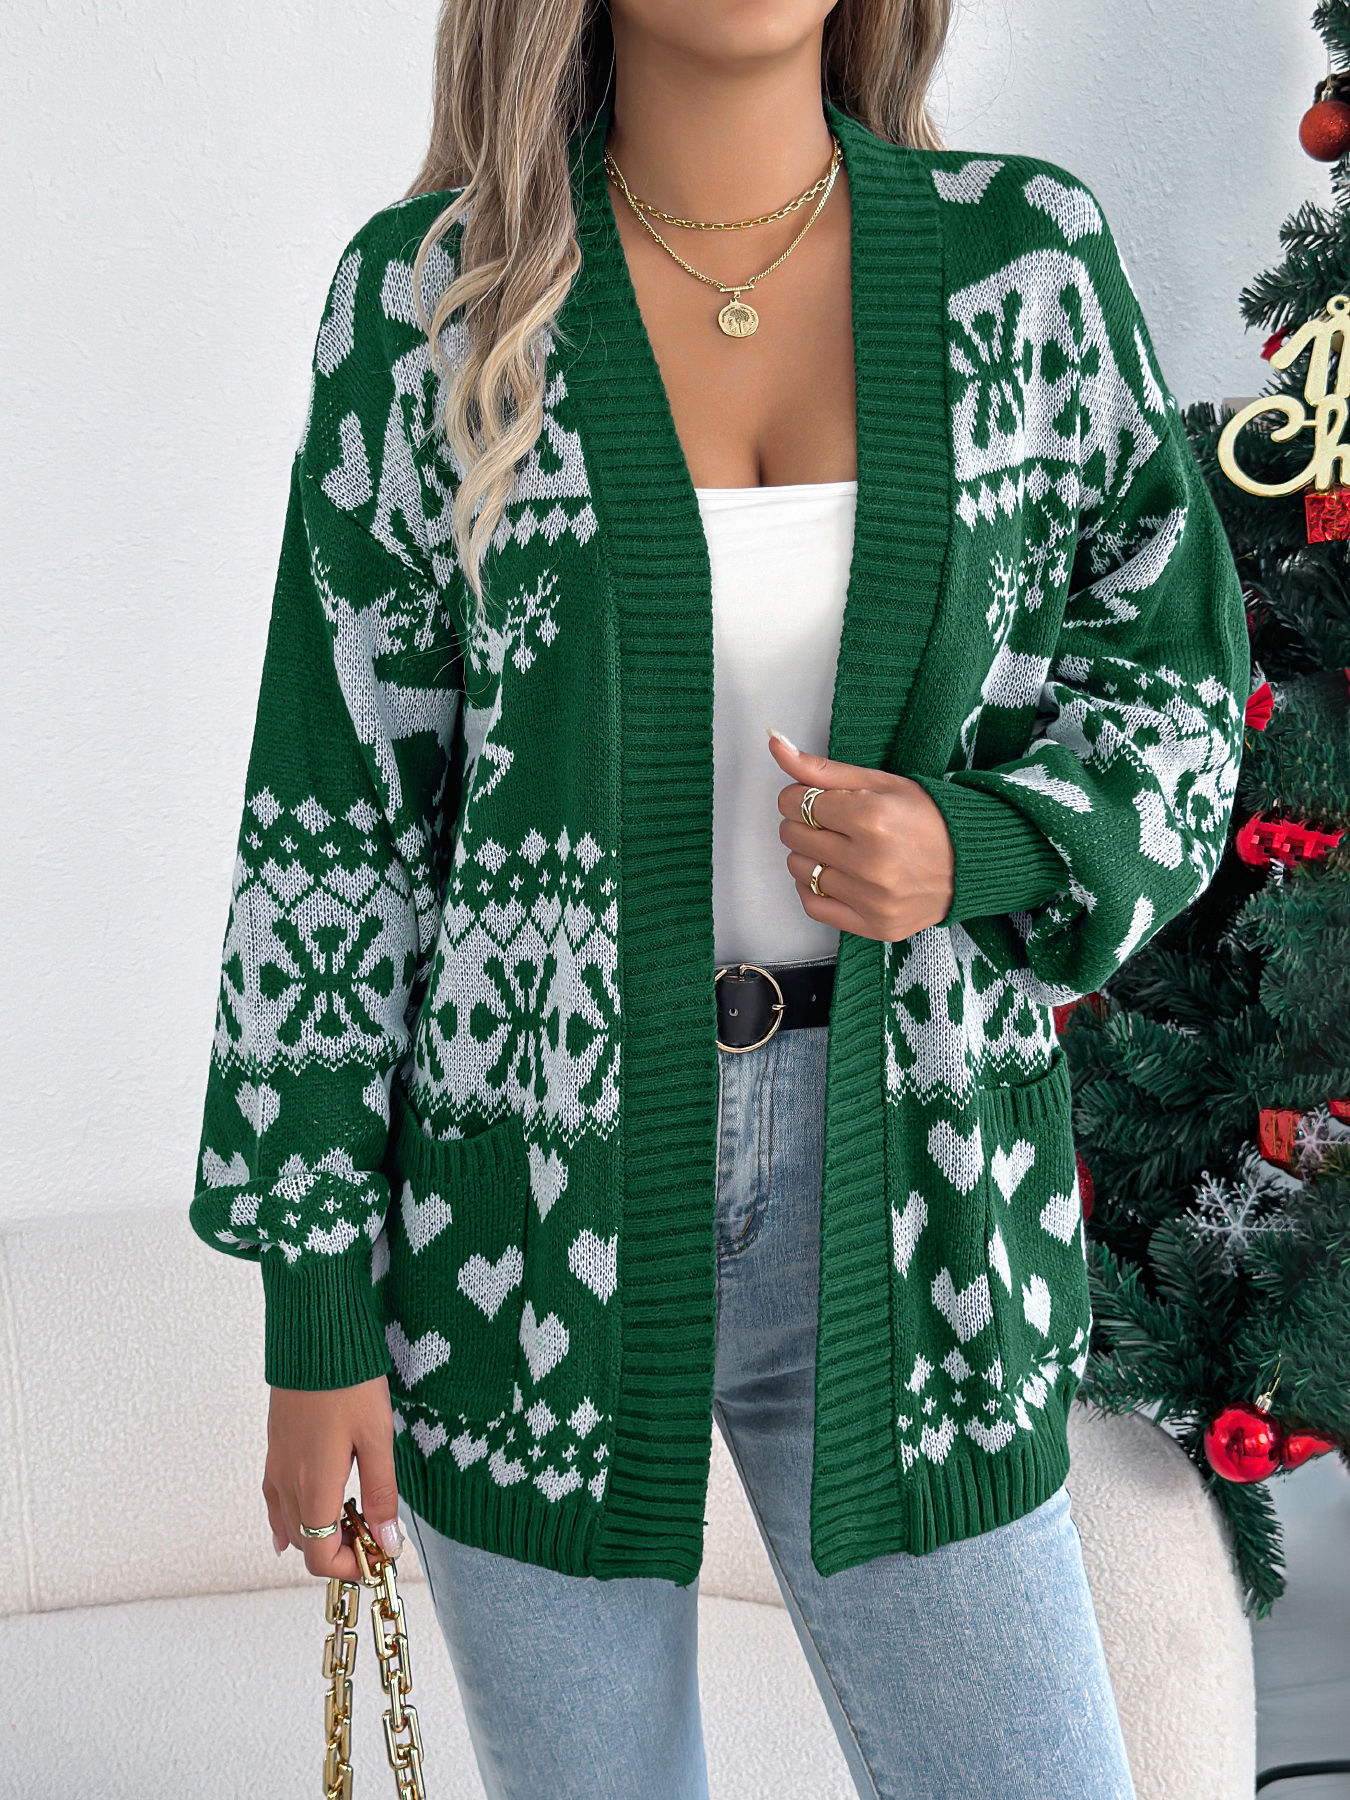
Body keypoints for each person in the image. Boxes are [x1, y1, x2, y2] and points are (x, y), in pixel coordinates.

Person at [190, 2, 1247, 1794]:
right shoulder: (430, 299)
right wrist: (316, 1314)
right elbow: (336, 818)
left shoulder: (1021, 263)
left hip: (919, 1187)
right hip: (522, 1203)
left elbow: (1175, 689)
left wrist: (975, 846)